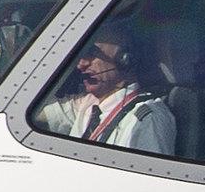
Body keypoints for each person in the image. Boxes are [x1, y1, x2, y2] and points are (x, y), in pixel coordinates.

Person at [34, 24, 176, 155]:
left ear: (125, 60)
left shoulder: (147, 117)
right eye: (80, 56)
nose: (80, 65)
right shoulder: (88, 104)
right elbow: (33, 112)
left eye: (91, 54)